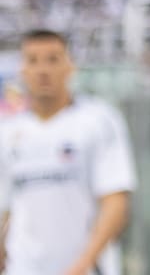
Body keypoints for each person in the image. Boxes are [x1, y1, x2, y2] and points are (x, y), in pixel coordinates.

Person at [0, 29, 137, 275]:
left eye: (52, 59)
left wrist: (82, 265)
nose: (43, 70)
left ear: (69, 66)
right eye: (33, 60)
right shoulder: (8, 133)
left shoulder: (99, 121)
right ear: (22, 70)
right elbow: (6, 207)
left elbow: (116, 202)